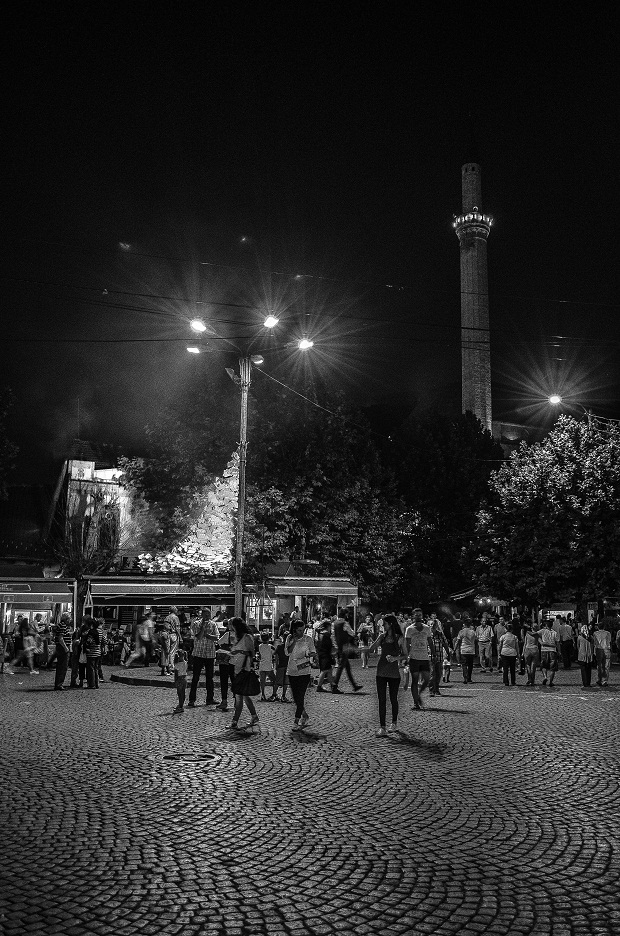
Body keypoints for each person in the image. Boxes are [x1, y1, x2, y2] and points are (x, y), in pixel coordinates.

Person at [369, 613, 405, 736]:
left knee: (393, 698)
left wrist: (395, 658)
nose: (382, 625)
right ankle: (382, 727)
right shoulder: (382, 637)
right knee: (381, 700)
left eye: (384, 623)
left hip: (394, 673)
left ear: (390, 624)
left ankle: (394, 722)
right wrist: (375, 635)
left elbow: (406, 655)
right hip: (381, 672)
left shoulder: (400, 638)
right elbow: (371, 648)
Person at [285, 619, 318, 731]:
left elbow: (313, 651)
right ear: (294, 629)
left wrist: (310, 654)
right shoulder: (289, 638)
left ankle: (296, 720)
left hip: (304, 669)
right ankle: (304, 714)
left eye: (303, 629)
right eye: (299, 630)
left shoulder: (308, 639)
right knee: (295, 697)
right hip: (292, 670)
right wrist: (294, 641)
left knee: (301, 695)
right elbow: (287, 652)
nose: (302, 632)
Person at [228, 617, 260, 731]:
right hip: (237, 668)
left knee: (239, 696)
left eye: (232, 625)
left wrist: (239, 652)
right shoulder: (237, 637)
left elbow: (252, 653)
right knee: (244, 696)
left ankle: (234, 722)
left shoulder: (247, 637)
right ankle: (254, 716)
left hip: (244, 669)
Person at [188, 614, 219, 708]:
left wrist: (207, 635)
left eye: (208, 614)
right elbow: (198, 637)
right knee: (195, 677)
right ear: (202, 615)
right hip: (198, 653)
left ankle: (210, 698)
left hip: (209, 654)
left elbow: (216, 637)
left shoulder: (213, 624)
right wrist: (203, 628)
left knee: (210, 677)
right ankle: (192, 699)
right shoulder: (196, 624)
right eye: (205, 614)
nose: (207, 616)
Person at [406, 609, 434, 710]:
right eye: (416, 615)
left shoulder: (426, 628)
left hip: (424, 657)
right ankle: (415, 702)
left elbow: (430, 642)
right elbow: (407, 644)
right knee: (415, 680)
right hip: (414, 658)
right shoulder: (409, 629)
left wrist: (433, 653)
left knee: (426, 679)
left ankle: (418, 694)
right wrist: (406, 656)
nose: (418, 617)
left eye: (420, 615)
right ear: (413, 616)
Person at [332, 613, 362, 693]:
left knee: (347, 667)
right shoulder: (344, 623)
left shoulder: (334, 623)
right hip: (345, 647)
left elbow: (333, 635)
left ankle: (354, 685)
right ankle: (334, 686)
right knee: (341, 667)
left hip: (339, 646)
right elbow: (351, 633)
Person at [216, 619, 236, 712]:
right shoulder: (239, 635)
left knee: (224, 681)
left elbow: (219, 642)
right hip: (235, 661)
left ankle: (224, 701)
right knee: (234, 680)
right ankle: (237, 700)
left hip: (225, 660)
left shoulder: (227, 634)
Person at [428, 615, 450, 696]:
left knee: (438, 674)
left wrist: (448, 653)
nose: (432, 626)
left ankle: (436, 689)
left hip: (439, 657)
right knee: (432, 674)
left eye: (434, 624)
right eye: (430, 624)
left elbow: (445, 644)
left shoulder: (440, 634)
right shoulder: (427, 635)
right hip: (430, 657)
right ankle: (431, 690)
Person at [497, 622, 521, 687]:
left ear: (506, 629)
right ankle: (513, 681)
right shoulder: (515, 637)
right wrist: (518, 655)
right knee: (512, 669)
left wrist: (499, 654)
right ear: (512, 630)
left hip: (504, 653)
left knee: (505, 668)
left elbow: (500, 646)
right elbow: (517, 647)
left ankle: (506, 681)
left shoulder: (503, 637)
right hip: (513, 653)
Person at [454, 616, 477, 684]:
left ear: (464, 624)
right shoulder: (473, 632)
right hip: (471, 650)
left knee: (464, 664)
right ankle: (469, 678)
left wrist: (454, 649)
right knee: (470, 665)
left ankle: (465, 677)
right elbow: (476, 640)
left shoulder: (461, 632)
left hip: (464, 650)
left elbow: (457, 641)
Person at [52, 612, 72, 690]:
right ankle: (59, 684)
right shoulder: (63, 625)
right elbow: (60, 637)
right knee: (63, 666)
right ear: (67, 619)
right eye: (69, 618)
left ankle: (58, 683)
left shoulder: (60, 625)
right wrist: (65, 647)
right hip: (63, 648)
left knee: (61, 665)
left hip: (60, 647)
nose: (70, 620)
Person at [539, 620, 561, 686]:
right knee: (553, 668)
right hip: (552, 651)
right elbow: (557, 643)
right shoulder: (555, 633)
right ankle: (551, 682)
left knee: (544, 666)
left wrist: (541, 642)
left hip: (544, 650)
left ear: (546, 625)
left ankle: (545, 677)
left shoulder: (542, 631)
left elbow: (535, 634)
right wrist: (559, 651)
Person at [315, 621, 336, 692]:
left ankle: (333, 686)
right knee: (324, 671)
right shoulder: (326, 635)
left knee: (328, 670)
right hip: (325, 654)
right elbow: (329, 646)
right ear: (328, 626)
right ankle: (319, 686)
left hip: (321, 654)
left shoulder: (320, 634)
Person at [83, 616, 102, 689]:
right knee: (96, 668)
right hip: (98, 652)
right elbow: (104, 640)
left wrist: (86, 646)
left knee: (91, 669)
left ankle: (91, 684)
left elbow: (89, 641)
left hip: (91, 652)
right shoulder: (100, 631)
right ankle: (97, 683)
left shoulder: (92, 632)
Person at [593, 622, 612, 687]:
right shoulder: (608, 633)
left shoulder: (595, 633)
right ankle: (604, 680)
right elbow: (609, 641)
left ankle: (599, 679)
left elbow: (595, 643)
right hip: (606, 649)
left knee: (599, 665)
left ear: (598, 627)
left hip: (599, 649)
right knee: (606, 665)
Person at [163, 606, 181, 675]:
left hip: (167, 635)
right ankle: (171, 667)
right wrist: (180, 637)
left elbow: (165, 626)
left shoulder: (167, 617)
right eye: (176, 609)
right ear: (174, 610)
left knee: (167, 652)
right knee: (172, 652)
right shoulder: (175, 617)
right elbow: (177, 628)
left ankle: (167, 668)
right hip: (174, 635)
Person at [258, 632, 276, 700]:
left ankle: (262, 694)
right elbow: (274, 653)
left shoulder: (260, 646)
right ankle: (274, 694)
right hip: (268, 666)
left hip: (262, 665)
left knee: (262, 681)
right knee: (274, 681)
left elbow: (259, 655)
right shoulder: (270, 646)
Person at [272, 634, 291, 702]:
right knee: (285, 682)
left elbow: (275, 656)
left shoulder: (279, 647)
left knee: (277, 682)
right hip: (288, 666)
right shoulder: (290, 647)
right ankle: (283, 696)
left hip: (280, 665)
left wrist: (276, 665)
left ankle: (274, 694)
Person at [522, 622, 541, 686]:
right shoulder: (537, 634)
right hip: (535, 650)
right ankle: (532, 680)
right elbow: (540, 642)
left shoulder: (527, 634)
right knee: (533, 666)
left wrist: (523, 652)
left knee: (527, 665)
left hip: (527, 649)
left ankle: (529, 678)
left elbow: (525, 643)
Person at [173, 648, 188, 713]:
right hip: (184, 679)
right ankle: (181, 705)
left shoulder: (177, 665)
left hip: (179, 679)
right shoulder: (185, 663)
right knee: (183, 692)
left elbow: (176, 674)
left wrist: (175, 681)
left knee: (179, 693)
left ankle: (180, 706)